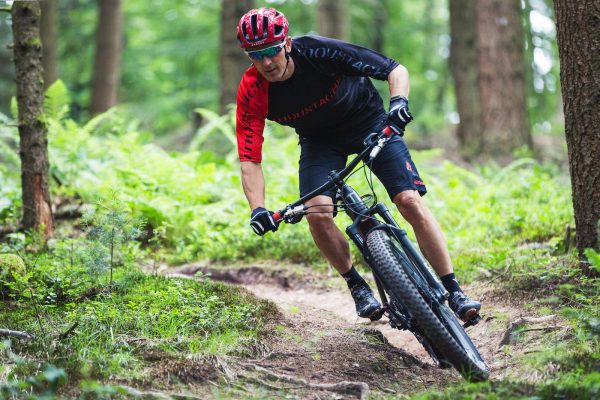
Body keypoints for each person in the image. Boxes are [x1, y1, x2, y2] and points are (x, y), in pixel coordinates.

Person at [235, 7, 481, 322]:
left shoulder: (320, 51)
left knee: (409, 201)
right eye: (256, 55)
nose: (267, 62)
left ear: (287, 43)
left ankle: (454, 289)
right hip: (320, 142)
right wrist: (258, 208)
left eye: (271, 50)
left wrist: (399, 104)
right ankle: (357, 286)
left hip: (369, 122)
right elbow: (249, 157)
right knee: (318, 213)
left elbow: (395, 70)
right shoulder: (253, 90)